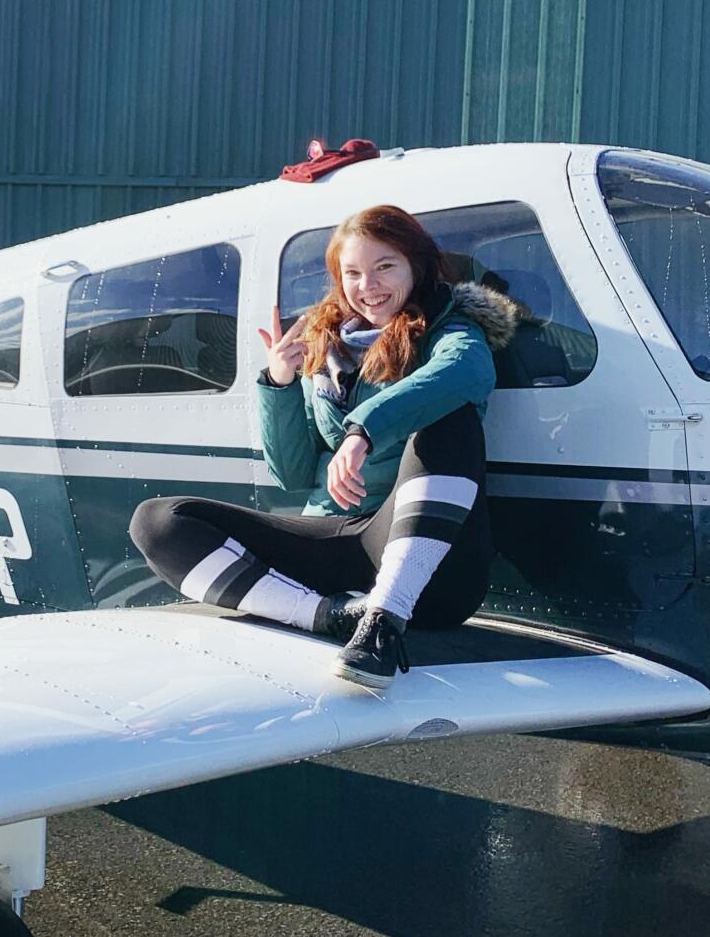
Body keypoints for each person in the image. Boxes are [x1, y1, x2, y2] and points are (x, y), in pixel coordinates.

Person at [129, 205, 519, 689]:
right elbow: (292, 475)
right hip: (336, 542)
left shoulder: (452, 329)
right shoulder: (326, 346)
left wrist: (362, 431)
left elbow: (465, 373)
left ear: (417, 265)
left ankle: (382, 624)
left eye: (385, 267)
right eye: (352, 273)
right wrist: (280, 382)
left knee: (451, 418)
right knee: (157, 521)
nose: (368, 286)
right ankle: (327, 617)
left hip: (425, 569)